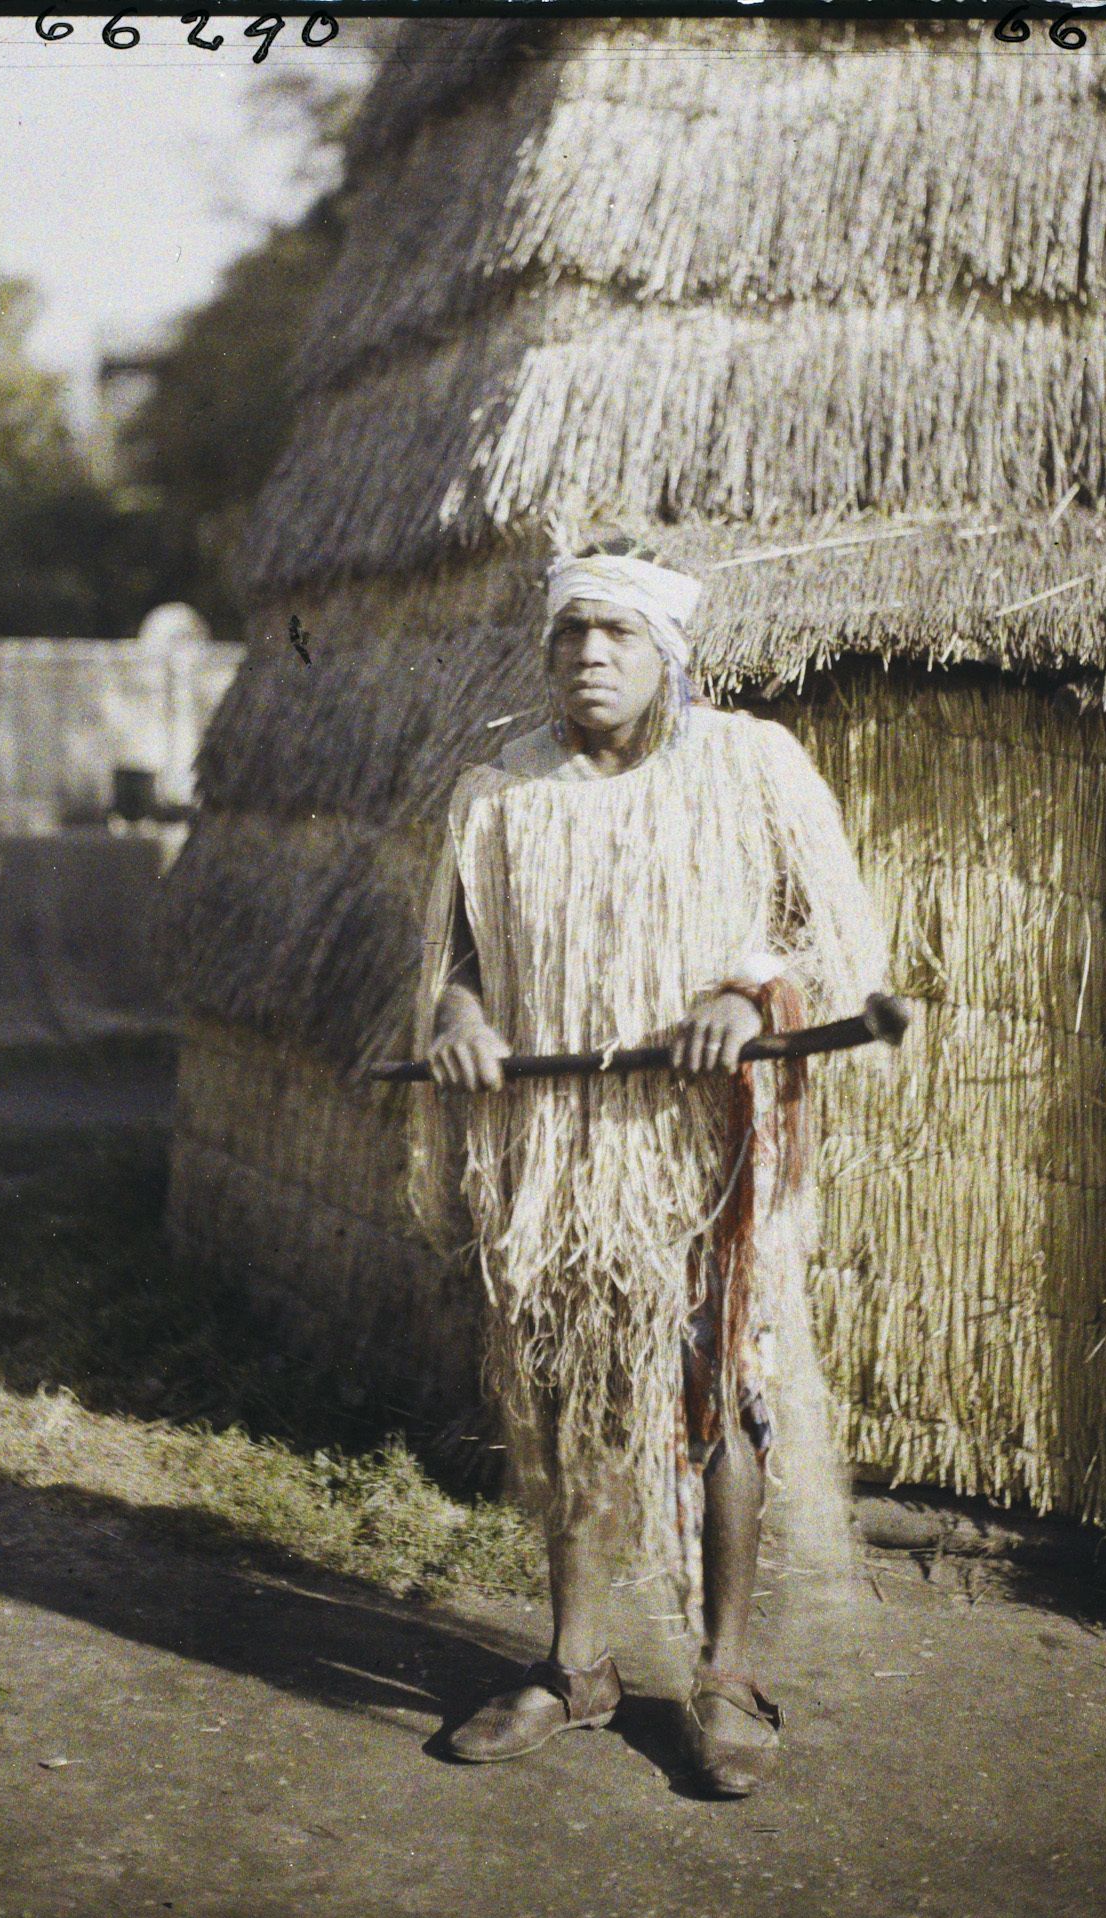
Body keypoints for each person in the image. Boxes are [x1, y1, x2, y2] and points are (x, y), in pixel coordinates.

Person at [409, 543, 889, 1797]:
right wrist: (458, 1019)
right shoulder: (499, 793)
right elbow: (460, 957)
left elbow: (831, 937)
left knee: (717, 1387)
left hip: (698, 1158)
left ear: (669, 652)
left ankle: (722, 1677)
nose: (589, 657)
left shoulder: (749, 765)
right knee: (564, 1394)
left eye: (617, 635)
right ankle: (576, 1667)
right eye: (571, 634)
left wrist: (746, 991)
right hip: (555, 1158)